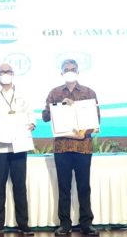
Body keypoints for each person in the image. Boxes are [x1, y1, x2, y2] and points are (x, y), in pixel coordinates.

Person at [42, 59, 100, 237]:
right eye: (66, 69)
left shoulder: (89, 93)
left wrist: (84, 133)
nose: (70, 71)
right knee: (64, 187)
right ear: (61, 73)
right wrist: (60, 106)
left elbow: (96, 119)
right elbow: (45, 117)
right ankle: (64, 224)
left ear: (78, 71)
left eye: (73, 69)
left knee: (84, 187)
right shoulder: (55, 93)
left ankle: (86, 224)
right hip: (62, 148)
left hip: (83, 147)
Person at [0, 63, 37, 237]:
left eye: (8, 71)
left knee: (20, 186)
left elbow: (31, 115)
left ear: (13, 74)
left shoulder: (23, 93)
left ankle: (23, 224)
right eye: (2, 72)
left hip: (19, 145)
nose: (6, 74)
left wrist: (32, 124)